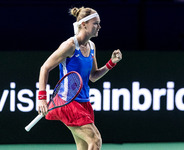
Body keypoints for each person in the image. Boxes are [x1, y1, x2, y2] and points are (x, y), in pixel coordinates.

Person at [37, 6, 122, 150]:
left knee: (83, 147)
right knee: (95, 140)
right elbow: (44, 68)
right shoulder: (69, 46)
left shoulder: (92, 46)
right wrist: (41, 98)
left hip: (84, 102)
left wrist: (111, 63)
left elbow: (93, 76)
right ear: (84, 24)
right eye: (95, 23)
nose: (99, 26)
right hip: (67, 102)